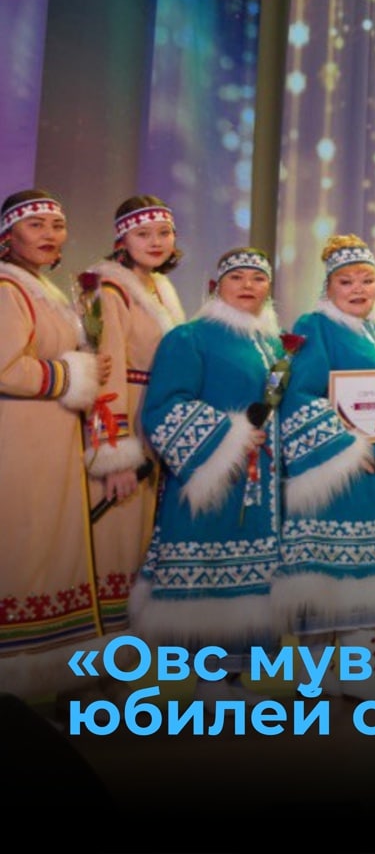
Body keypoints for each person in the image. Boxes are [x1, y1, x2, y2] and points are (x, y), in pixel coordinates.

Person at [274, 234, 375, 699]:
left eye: (367, 280)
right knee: (330, 574)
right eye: (346, 281)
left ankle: (361, 675)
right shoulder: (316, 326)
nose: (358, 289)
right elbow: (299, 395)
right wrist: (344, 446)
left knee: (369, 575)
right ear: (328, 286)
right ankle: (315, 677)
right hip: (339, 473)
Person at [130, 247, 283, 701]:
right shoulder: (188, 337)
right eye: (237, 277)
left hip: (261, 484)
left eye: (258, 278)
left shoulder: (274, 344)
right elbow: (165, 406)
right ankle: (209, 681)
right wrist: (231, 435)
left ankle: (231, 679)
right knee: (211, 572)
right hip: (209, 477)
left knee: (251, 579)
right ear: (216, 286)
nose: (248, 285)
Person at [0, 190, 107, 700]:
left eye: (57, 225)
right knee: (24, 548)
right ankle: (16, 673)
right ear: (8, 235)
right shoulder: (7, 288)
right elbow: (5, 368)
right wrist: (72, 374)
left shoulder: (44, 290)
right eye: (36, 225)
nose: (49, 234)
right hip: (19, 441)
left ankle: (47, 671)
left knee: (49, 549)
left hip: (51, 441)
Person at [82, 195, 186, 636]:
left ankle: (127, 657)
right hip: (127, 424)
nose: (156, 242)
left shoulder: (161, 288)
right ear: (121, 240)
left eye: (164, 233)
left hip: (154, 426)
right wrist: (115, 455)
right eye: (143, 234)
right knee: (116, 545)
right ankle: (102, 659)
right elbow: (106, 374)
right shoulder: (110, 290)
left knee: (141, 546)